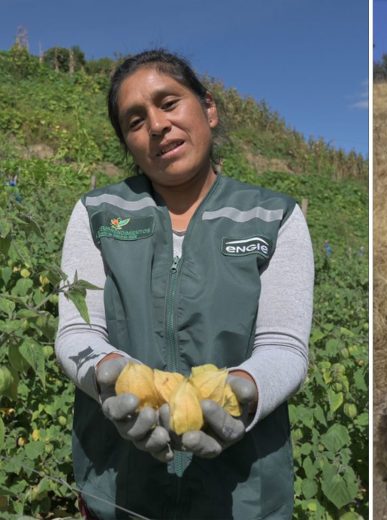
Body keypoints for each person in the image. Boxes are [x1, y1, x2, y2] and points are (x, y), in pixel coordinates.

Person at [55, 49, 314, 519]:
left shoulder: (275, 217)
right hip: (121, 486)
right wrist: (106, 375)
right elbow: (77, 332)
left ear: (208, 109)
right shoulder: (96, 213)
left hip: (240, 495)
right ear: (128, 143)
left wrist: (245, 391)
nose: (156, 125)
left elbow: (285, 345)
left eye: (168, 103)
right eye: (135, 121)